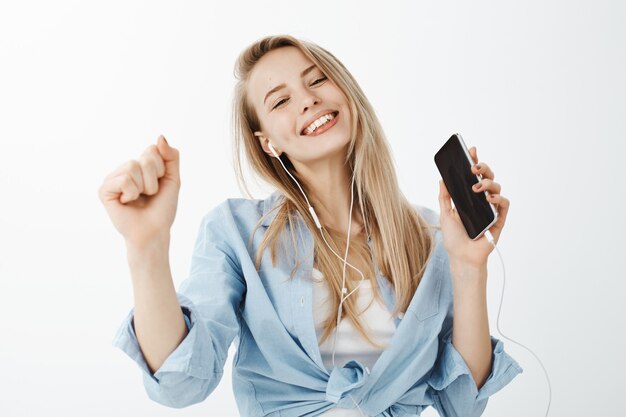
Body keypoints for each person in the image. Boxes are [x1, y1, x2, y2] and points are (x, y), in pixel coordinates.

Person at [98, 34, 522, 417]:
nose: (307, 100)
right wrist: (145, 248)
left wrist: (468, 266)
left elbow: (464, 403)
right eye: (280, 101)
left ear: (346, 92)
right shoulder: (237, 232)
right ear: (269, 143)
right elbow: (180, 384)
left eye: (317, 80)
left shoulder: (430, 236)